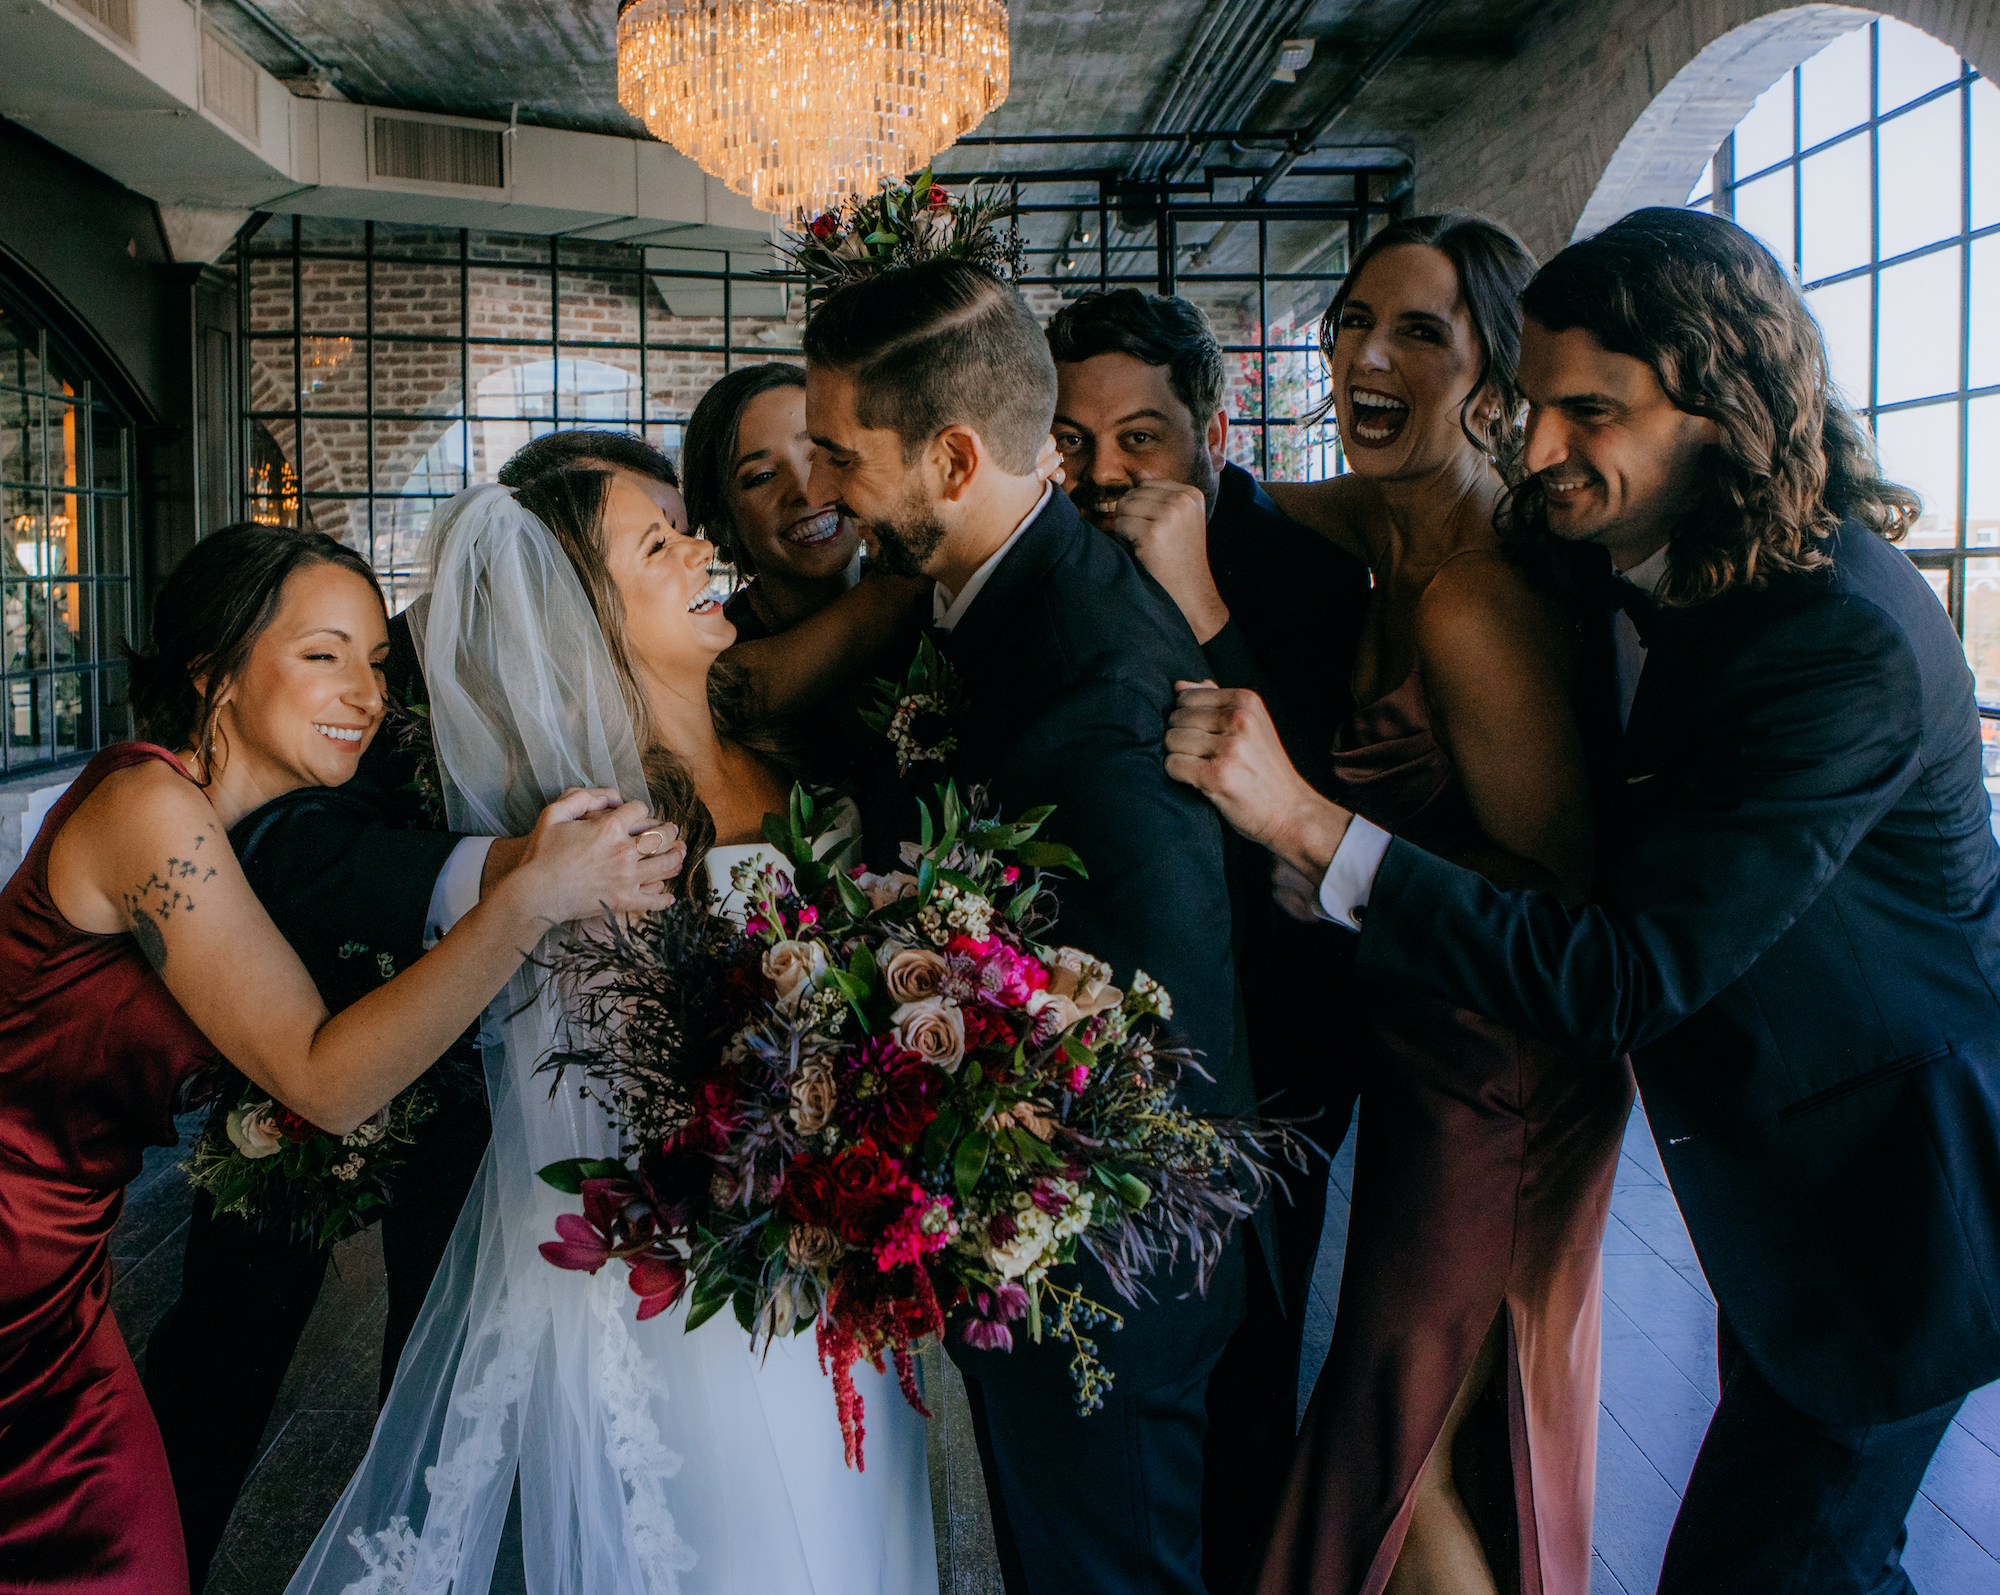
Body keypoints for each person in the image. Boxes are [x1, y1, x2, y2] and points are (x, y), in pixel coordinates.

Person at [1169, 207, 2000, 1595]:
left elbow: (1622, 971)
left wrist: (1317, 827)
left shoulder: (1834, 640)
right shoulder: (1694, 558)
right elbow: (1400, 504)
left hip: (1890, 1210)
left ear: (1726, 411)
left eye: (1591, 410)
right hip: (1794, 1195)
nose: (1541, 448)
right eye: (1535, 403)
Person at [283, 477, 937, 1595]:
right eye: (657, 544)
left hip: (842, 1271)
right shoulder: (593, 841)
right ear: (587, 615)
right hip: (705, 1291)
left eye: (685, 527)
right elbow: (605, 1099)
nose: (700, 549)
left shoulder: (802, 751)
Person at [0, 523, 674, 1595]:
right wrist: (529, 895)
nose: (363, 692)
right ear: (213, 671)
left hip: (55, 1283)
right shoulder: (148, 808)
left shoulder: (244, 839)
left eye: (372, 660)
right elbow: (325, 1075)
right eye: (322, 654)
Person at [802, 257, 1265, 1595]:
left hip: (1102, 1267)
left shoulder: (1098, 669)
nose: (822, 488)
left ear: (951, 456)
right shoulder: (982, 599)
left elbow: (1154, 1033)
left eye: (841, 452)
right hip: (1039, 1244)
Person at [1209, 212, 1636, 1595]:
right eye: (1349, 321)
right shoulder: (1374, 525)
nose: (1366, 354)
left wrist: (1336, 858)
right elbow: (1248, 491)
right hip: (1418, 1050)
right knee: (1403, 1412)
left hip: (1501, 1077)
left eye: (1419, 332)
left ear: (1493, 381)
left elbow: (1560, 896)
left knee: (1408, 1436)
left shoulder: (1470, 599)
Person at [1046, 293, 1373, 1560]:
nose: (1107, 471)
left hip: (1280, 1014)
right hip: (1115, 1026)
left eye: (1142, 436)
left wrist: (1192, 592)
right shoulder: (1059, 561)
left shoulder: (1298, 567)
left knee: (1254, 1337)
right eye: (1074, 442)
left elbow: (1310, 797)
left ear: (1216, 428)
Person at [679, 363, 865, 644]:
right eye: (763, 476)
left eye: (819, 455)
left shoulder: (930, 593)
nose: (807, 491)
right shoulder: (718, 657)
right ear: (719, 520)